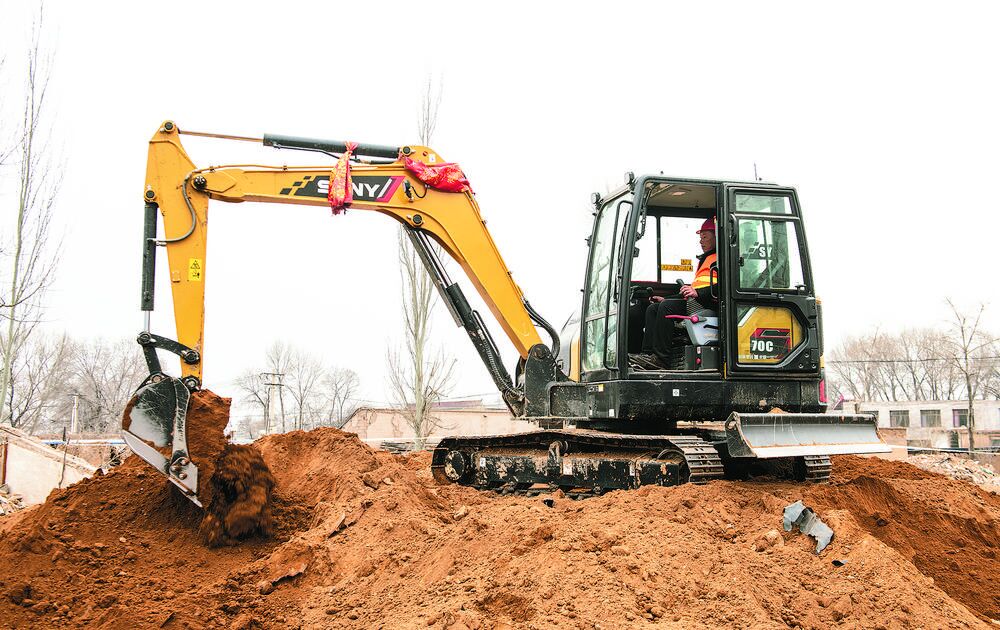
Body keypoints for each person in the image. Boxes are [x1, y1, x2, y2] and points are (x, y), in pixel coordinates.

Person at [635, 217, 718, 369]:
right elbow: (693, 290)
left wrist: (698, 293)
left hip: (710, 302)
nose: (701, 241)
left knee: (667, 308)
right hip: (697, 301)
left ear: (717, 235)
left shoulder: (723, 258)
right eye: (700, 238)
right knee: (653, 308)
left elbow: (723, 287)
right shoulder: (706, 259)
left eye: (705, 237)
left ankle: (661, 359)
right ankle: (648, 355)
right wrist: (665, 298)